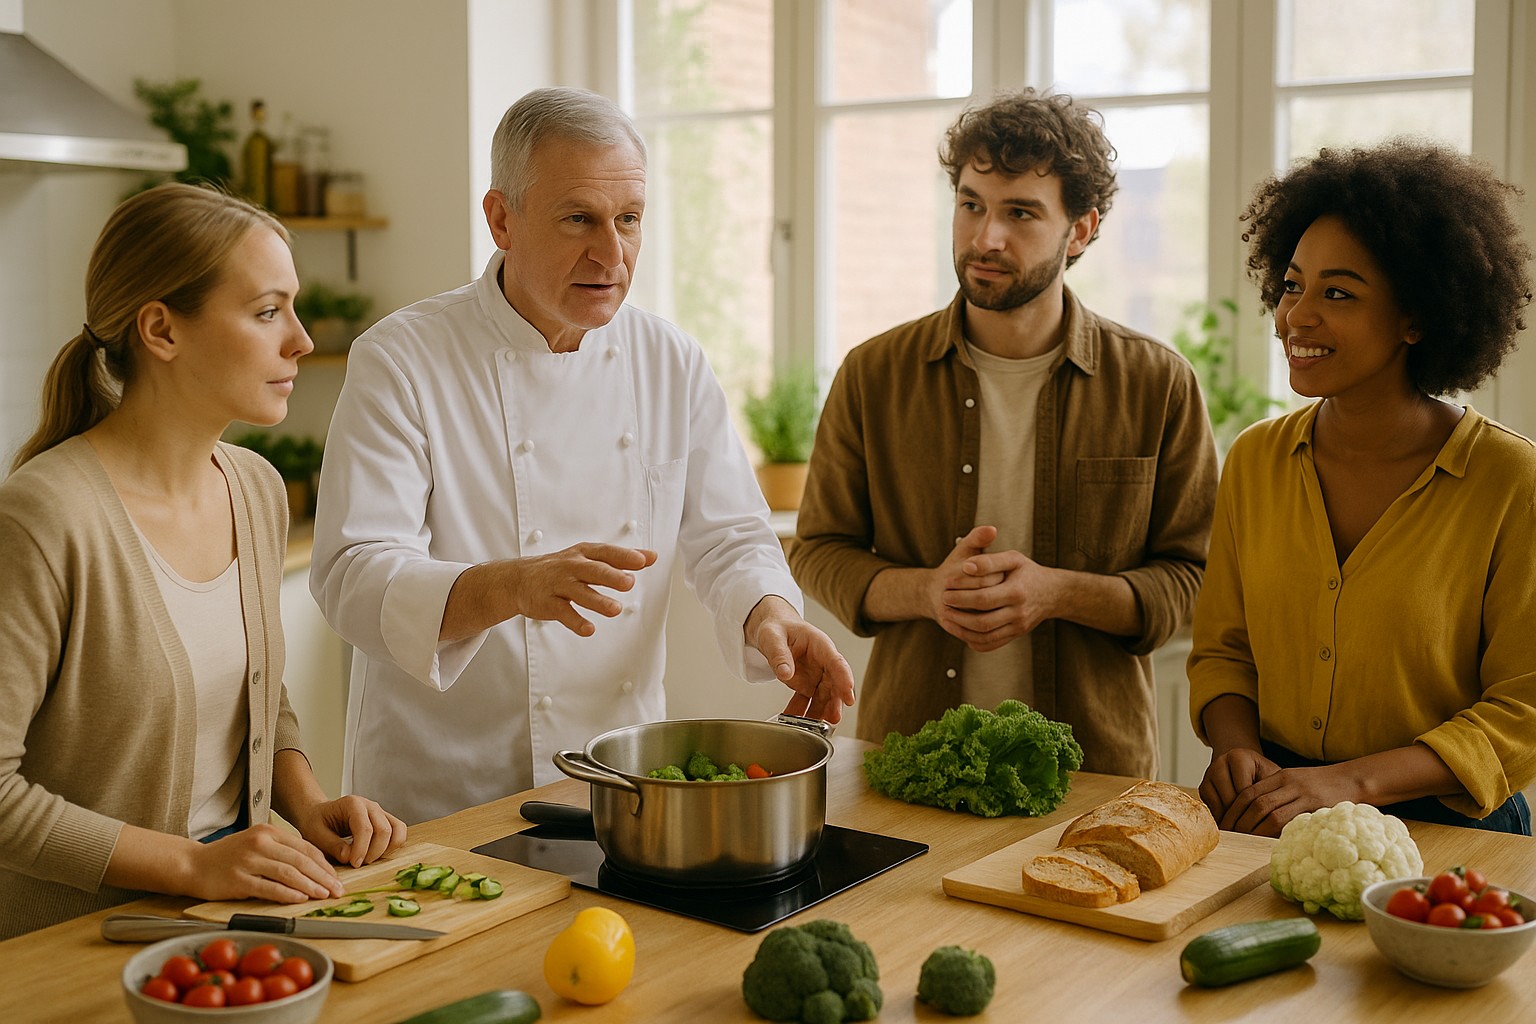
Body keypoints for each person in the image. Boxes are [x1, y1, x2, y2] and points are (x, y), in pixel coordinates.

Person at [310, 87, 855, 825]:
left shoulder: (670, 360)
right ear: (502, 219)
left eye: (629, 220)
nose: (611, 253)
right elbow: (352, 576)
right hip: (443, 794)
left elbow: (729, 536)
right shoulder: (403, 359)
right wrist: (510, 587)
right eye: (579, 219)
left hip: (620, 778)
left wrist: (769, 614)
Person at [0, 183, 406, 940]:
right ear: (160, 329)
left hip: (228, 930)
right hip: (71, 950)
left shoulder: (253, 488)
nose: (302, 339)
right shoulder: (47, 515)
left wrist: (308, 805)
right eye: (266, 311)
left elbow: (257, 692)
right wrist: (191, 865)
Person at [789, 89, 1217, 777]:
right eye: (971, 204)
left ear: (1080, 230)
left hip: (1092, 775)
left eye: (1020, 213)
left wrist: (1056, 593)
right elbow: (818, 551)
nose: (986, 237)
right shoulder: (874, 374)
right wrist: (928, 592)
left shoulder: (1157, 383)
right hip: (911, 761)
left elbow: (1196, 582)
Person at [1189, 138, 1536, 837]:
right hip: (1274, 812)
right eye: (1292, 285)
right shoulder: (1256, 460)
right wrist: (1237, 750)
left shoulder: (1510, 481)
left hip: (1446, 827)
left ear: (1417, 316)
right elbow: (1224, 650)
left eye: (1338, 293)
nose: (1296, 317)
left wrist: (1349, 784)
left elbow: (1525, 705)